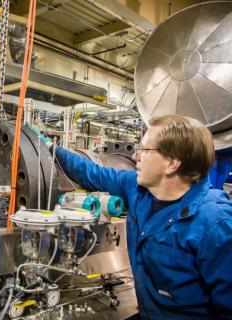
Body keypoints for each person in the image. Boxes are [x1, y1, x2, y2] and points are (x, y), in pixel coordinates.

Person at [50, 115, 232, 319]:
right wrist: (50, 147)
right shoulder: (137, 189)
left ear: (172, 163)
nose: (136, 157)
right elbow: (91, 173)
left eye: (144, 150)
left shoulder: (215, 224)